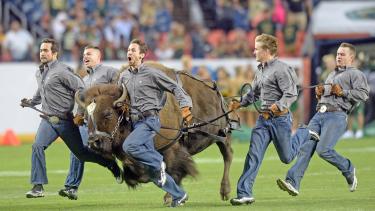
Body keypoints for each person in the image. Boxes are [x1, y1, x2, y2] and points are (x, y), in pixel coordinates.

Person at [21, 38, 123, 198]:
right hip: (49, 120)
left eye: (46, 50)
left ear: (54, 53)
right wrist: (30, 102)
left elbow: (82, 90)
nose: (42, 53)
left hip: (66, 120)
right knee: (37, 146)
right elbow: (41, 92)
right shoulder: (39, 72)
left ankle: (109, 163)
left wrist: (82, 111)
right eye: (41, 50)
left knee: (80, 153)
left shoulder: (63, 71)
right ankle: (38, 186)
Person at [229, 34, 319, 206]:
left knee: (287, 158)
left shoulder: (281, 69)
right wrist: (239, 103)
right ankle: (245, 193)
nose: (253, 51)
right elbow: (253, 93)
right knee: (253, 156)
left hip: (280, 120)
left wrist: (278, 105)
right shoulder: (260, 69)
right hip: (262, 122)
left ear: (267, 50)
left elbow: (291, 94)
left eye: (257, 48)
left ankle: (305, 132)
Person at [276, 42, 370, 196]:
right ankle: (293, 182)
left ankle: (348, 168)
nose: (338, 56)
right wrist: (320, 94)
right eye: (338, 54)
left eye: (342, 54)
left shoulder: (356, 74)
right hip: (319, 115)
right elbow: (329, 94)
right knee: (306, 147)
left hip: (337, 116)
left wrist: (344, 92)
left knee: (323, 150)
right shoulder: (332, 74)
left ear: (351, 58)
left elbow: (364, 94)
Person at [117, 39, 191, 207]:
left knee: (129, 147)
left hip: (150, 121)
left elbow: (175, 88)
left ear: (142, 55)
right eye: (128, 50)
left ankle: (158, 160)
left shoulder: (151, 73)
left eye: (133, 50)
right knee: (153, 174)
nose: (129, 53)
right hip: (134, 123)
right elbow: (120, 97)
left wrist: (186, 106)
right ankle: (179, 195)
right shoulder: (124, 76)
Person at [58, 45, 119, 200]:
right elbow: (82, 102)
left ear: (99, 57)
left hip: (105, 125)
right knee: (76, 150)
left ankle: (112, 164)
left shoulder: (109, 71)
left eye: (89, 54)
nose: (85, 57)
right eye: (84, 54)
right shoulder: (84, 79)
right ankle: (72, 187)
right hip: (87, 123)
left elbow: (119, 90)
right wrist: (78, 115)